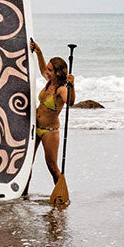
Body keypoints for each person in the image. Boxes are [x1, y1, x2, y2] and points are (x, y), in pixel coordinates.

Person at [26, 39, 75, 194]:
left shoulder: (61, 89)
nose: (46, 71)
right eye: (47, 69)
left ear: (57, 73)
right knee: (26, 164)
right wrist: (38, 52)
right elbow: (42, 69)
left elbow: (70, 102)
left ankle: (61, 194)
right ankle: (23, 194)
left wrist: (72, 85)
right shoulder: (49, 82)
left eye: (50, 70)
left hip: (49, 132)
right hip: (35, 128)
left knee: (52, 167)